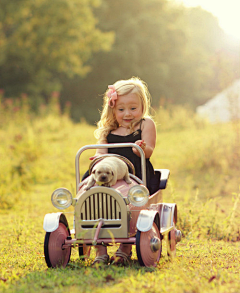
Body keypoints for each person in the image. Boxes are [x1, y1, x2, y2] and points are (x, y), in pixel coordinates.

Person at [87, 77, 158, 265]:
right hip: (108, 176)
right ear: (112, 109)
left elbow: (149, 150)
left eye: (133, 108)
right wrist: (98, 158)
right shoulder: (107, 131)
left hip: (134, 175)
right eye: (121, 109)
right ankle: (100, 250)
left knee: (133, 201)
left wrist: (141, 148)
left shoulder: (145, 124)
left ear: (142, 106)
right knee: (94, 198)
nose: (127, 114)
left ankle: (125, 247)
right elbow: (100, 153)